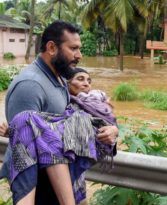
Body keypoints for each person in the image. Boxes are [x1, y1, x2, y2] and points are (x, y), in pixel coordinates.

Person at [0, 21, 118, 205]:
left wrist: (110, 129)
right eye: (73, 49)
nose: (79, 55)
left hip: (61, 181)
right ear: (52, 48)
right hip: (42, 187)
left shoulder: (61, 78)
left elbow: (71, 125)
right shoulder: (30, 86)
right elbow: (22, 146)